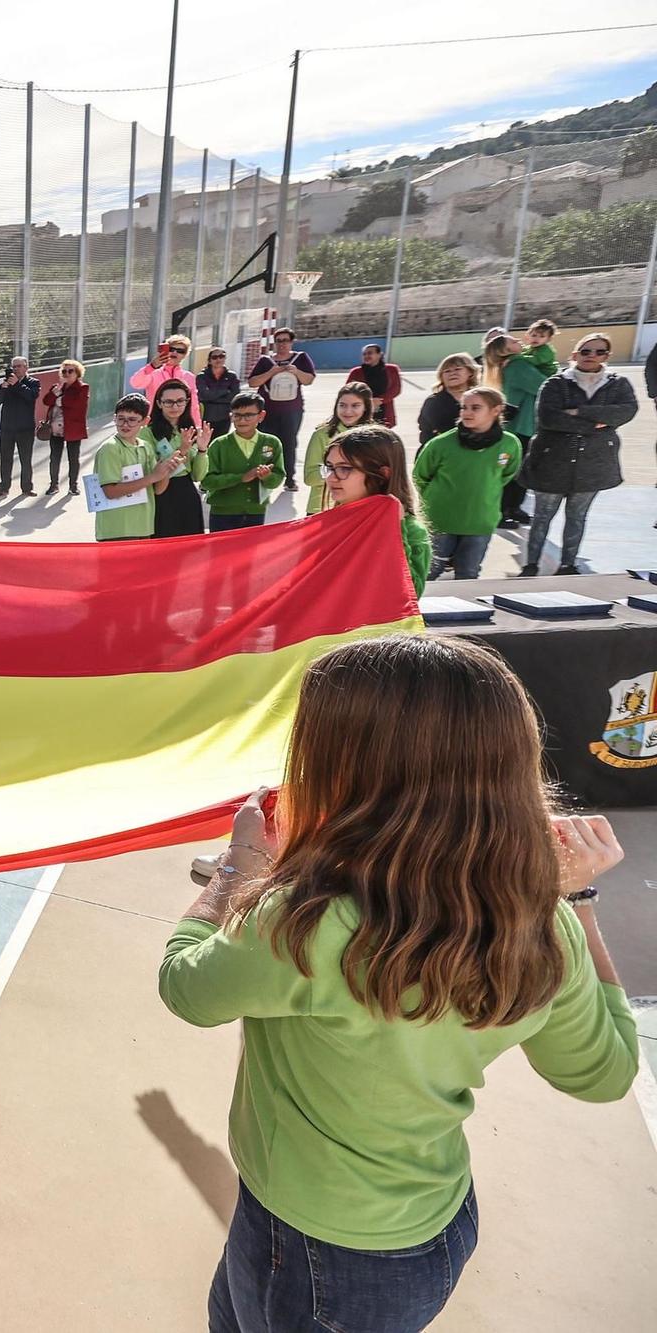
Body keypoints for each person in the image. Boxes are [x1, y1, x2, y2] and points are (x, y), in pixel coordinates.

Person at [158, 634, 636, 1333]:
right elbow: (604, 1073)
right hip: (427, 1229)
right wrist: (569, 903)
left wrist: (239, 868)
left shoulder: (306, 920)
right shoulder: (539, 925)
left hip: (309, 1251)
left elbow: (184, 985)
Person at [521, 332, 640, 576]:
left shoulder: (618, 384)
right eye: (586, 351)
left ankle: (568, 564)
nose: (592, 356)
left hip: (592, 465)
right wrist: (594, 424)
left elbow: (626, 411)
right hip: (552, 462)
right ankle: (531, 564)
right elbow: (549, 418)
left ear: (607, 356)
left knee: (577, 517)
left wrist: (579, 411)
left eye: (599, 352)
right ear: (574, 355)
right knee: (542, 516)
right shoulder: (555, 383)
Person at [321, 425, 431, 596]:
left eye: (344, 468)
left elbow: (410, 595)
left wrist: (394, 532)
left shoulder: (411, 531)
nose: (331, 477)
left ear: (382, 474)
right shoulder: (333, 522)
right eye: (329, 467)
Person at [482, 331, 554, 528]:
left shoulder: (517, 364)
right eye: (513, 341)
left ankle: (513, 507)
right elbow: (544, 385)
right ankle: (502, 511)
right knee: (514, 472)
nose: (519, 341)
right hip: (521, 427)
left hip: (523, 426)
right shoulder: (518, 365)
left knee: (520, 471)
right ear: (506, 350)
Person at [92, 395, 185, 542]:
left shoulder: (145, 446)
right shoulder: (110, 448)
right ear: (114, 418)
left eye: (132, 419)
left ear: (145, 421)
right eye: (121, 418)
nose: (125, 424)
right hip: (117, 529)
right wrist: (153, 477)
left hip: (144, 526)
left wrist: (166, 470)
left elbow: (158, 490)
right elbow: (110, 491)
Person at [203, 391, 285, 531]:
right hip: (223, 513)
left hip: (256, 511)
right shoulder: (219, 445)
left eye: (248, 415)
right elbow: (207, 481)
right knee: (222, 552)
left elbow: (278, 477)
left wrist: (267, 477)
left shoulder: (272, 442)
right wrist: (241, 478)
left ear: (261, 416)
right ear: (231, 416)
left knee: (252, 552)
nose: (242, 420)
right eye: (237, 415)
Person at [245, 328, 314, 490]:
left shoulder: (300, 358)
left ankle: (289, 478)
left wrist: (296, 371)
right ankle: (265, 475)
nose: (282, 344)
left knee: (289, 444)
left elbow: (308, 380)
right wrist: (271, 372)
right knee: (266, 445)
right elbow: (253, 382)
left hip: (292, 410)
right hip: (267, 411)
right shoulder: (265, 361)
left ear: (291, 342)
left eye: (285, 340)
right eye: (279, 341)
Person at [146, 381, 211, 538]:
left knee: (189, 550)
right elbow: (151, 470)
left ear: (187, 402)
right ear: (159, 404)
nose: (175, 407)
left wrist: (202, 449)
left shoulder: (192, 431)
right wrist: (182, 450)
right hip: (160, 492)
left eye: (180, 401)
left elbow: (198, 476)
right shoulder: (147, 434)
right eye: (168, 402)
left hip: (186, 491)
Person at [301, 383, 376, 516]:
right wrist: (341, 472)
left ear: (366, 407)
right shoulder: (322, 434)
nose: (347, 411)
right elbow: (310, 477)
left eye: (355, 406)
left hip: (361, 509)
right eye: (342, 405)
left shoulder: (375, 437)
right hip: (322, 509)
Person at [37, 359, 90, 496]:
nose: (67, 373)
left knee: (73, 458)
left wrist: (60, 399)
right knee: (54, 457)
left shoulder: (83, 388)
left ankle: (73, 485)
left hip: (73, 428)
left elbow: (75, 404)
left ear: (77, 373)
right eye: (64, 371)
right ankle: (54, 484)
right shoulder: (57, 387)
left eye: (70, 371)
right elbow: (46, 401)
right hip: (55, 428)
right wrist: (55, 394)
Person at [0, 356, 43, 498]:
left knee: (25, 459)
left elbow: (31, 397)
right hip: (7, 428)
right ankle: (3, 488)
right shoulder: (6, 383)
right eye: (14, 367)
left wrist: (17, 385)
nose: (16, 369)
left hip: (25, 428)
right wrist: (3, 388)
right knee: (5, 459)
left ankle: (27, 488)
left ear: (26, 368)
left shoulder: (33, 382)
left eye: (19, 366)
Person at [130, 334, 202, 425]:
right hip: (155, 423)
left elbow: (193, 405)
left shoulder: (189, 377)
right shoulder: (153, 373)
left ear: (185, 355)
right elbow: (135, 383)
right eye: (171, 349)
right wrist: (151, 367)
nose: (175, 353)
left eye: (180, 351)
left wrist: (198, 427)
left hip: (181, 425)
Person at [416, 353, 478, 445]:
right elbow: (446, 429)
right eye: (447, 371)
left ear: (470, 372)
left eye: (458, 369)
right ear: (441, 376)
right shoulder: (434, 402)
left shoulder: (482, 398)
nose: (452, 373)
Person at [344, 344, 403, 428]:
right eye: (364, 354)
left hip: (384, 410)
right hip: (362, 409)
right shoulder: (356, 372)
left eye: (370, 353)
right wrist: (368, 402)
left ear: (379, 355)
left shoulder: (392, 369)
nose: (366, 356)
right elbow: (348, 390)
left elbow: (395, 389)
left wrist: (380, 401)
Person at [197, 348, 241, 438]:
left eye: (221, 356)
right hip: (207, 417)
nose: (218, 359)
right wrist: (225, 391)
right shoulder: (202, 376)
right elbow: (205, 395)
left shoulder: (232, 376)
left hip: (224, 416)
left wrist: (213, 396)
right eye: (215, 357)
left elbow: (234, 396)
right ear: (209, 360)